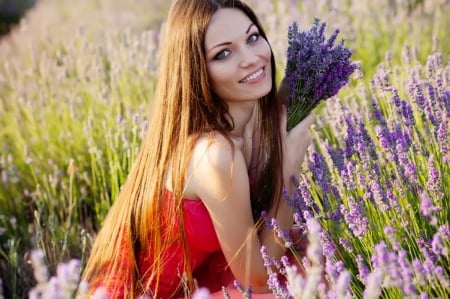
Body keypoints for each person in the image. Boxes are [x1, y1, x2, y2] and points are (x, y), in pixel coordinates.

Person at [82, 0, 315, 298]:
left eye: (253, 37)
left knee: (312, 256)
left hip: (196, 280)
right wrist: (288, 174)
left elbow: (260, 240)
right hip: (140, 294)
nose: (251, 58)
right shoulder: (214, 154)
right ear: (197, 71)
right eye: (224, 53)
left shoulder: (248, 114)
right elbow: (258, 281)